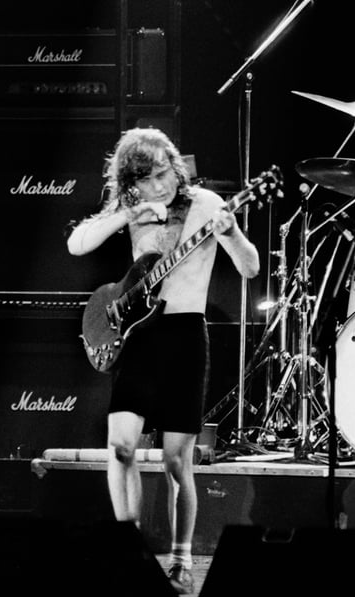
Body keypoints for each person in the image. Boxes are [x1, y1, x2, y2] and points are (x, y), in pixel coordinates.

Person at [66, 128, 260, 594]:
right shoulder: (133, 208)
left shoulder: (209, 205)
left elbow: (250, 266)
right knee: (121, 448)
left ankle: (181, 558)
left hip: (186, 337)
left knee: (177, 461)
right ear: (133, 182)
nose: (163, 185)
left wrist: (231, 233)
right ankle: (127, 548)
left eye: (166, 173)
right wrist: (128, 213)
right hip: (141, 338)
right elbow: (78, 244)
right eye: (150, 179)